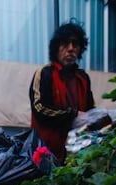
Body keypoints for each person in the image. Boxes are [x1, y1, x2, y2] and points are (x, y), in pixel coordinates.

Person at [29, 20, 95, 164]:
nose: (71, 49)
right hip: (47, 153)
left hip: (77, 151)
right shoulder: (44, 74)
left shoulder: (83, 78)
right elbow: (40, 108)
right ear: (56, 48)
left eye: (75, 44)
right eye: (65, 44)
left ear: (80, 49)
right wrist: (73, 114)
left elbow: (90, 111)